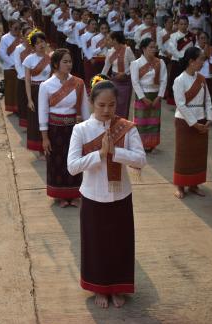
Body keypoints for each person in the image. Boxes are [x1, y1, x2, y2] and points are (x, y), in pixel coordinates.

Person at [67, 76, 146, 309]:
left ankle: (117, 287)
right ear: (92, 103)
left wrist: (116, 153)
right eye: (101, 105)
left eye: (111, 105)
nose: (107, 110)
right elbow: (72, 166)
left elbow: (141, 159)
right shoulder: (80, 129)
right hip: (92, 196)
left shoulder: (126, 127)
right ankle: (100, 288)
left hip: (121, 195)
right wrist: (99, 155)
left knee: (120, 243)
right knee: (97, 244)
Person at [39, 49, 89, 207]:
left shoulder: (78, 83)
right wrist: (45, 137)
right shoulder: (46, 86)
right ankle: (60, 195)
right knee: (57, 162)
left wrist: (88, 132)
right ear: (55, 64)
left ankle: (74, 194)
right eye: (65, 62)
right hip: (55, 130)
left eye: (70, 62)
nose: (69, 65)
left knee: (75, 160)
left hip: (74, 129)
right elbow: (43, 112)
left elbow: (85, 109)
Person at [172, 47, 212, 199]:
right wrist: (194, 124)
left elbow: (207, 99)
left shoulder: (201, 79)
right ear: (191, 61)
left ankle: (194, 184)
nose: (203, 62)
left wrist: (208, 119)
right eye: (200, 59)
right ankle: (180, 185)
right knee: (183, 153)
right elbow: (180, 104)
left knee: (198, 154)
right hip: (184, 121)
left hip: (201, 119)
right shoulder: (179, 80)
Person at [130, 38, 167, 152]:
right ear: (144, 48)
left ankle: (151, 144)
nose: (153, 49)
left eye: (155, 47)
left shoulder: (160, 62)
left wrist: (159, 96)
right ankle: (139, 144)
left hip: (155, 96)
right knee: (141, 121)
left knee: (153, 121)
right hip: (142, 95)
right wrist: (143, 98)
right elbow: (135, 82)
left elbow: (163, 80)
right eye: (151, 47)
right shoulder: (135, 64)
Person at [23, 30, 51, 156]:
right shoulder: (29, 59)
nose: (41, 45)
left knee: (48, 118)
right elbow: (27, 80)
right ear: (33, 46)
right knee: (36, 119)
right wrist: (29, 99)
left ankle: (49, 146)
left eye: (42, 41)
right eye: (37, 43)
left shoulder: (51, 58)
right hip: (35, 91)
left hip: (48, 90)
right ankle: (40, 149)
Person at [101, 31, 135, 118]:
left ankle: (122, 125)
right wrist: (99, 81)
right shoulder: (110, 52)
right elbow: (106, 68)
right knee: (114, 104)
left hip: (125, 82)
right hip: (114, 81)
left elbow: (134, 65)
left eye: (109, 39)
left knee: (123, 105)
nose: (107, 41)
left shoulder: (127, 50)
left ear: (115, 40)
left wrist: (125, 73)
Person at [167, 16, 195, 105]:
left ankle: (187, 98)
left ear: (188, 25)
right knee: (176, 81)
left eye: (185, 24)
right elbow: (172, 49)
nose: (183, 26)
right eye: (181, 24)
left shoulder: (192, 36)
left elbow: (194, 48)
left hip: (189, 63)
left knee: (187, 82)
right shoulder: (173, 36)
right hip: (177, 62)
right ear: (177, 25)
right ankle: (174, 99)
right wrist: (182, 58)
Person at [0, 19, 21, 113]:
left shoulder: (21, 37)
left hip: (21, 67)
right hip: (10, 67)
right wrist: (13, 64)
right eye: (15, 28)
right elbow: (2, 54)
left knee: (19, 89)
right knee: (11, 89)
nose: (17, 30)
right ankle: (13, 109)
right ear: (10, 27)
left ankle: (20, 108)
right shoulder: (5, 38)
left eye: (19, 28)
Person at [14, 26, 34, 128]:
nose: (29, 36)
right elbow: (17, 64)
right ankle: (26, 124)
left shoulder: (35, 48)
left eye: (31, 34)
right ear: (23, 35)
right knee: (24, 102)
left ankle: (34, 123)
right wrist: (24, 77)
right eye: (27, 34)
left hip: (34, 80)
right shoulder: (18, 49)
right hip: (23, 80)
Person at [196, 31, 212, 116]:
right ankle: (199, 115)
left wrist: (208, 55)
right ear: (198, 40)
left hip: (210, 77)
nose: (203, 40)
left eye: (205, 38)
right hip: (198, 77)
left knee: (210, 98)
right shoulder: (195, 50)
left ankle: (209, 116)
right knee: (199, 97)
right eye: (201, 38)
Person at [63, 8, 83, 77]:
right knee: (69, 59)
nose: (76, 16)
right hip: (70, 43)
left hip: (78, 44)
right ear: (72, 14)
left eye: (77, 14)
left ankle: (78, 75)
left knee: (78, 60)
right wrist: (71, 27)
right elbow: (65, 32)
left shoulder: (81, 23)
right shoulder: (68, 22)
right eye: (74, 14)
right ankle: (68, 74)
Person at [81, 18, 98, 91]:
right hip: (88, 58)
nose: (94, 26)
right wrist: (90, 58)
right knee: (89, 76)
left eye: (95, 24)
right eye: (92, 24)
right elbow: (84, 49)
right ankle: (89, 92)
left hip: (97, 58)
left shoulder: (99, 35)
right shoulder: (84, 36)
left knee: (97, 77)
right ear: (88, 25)